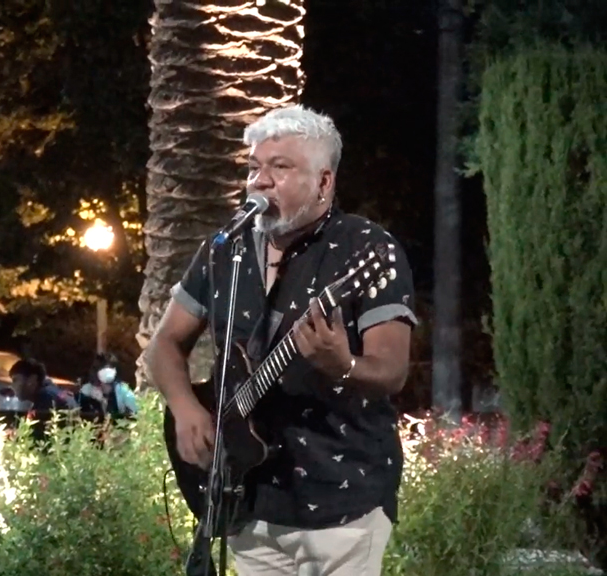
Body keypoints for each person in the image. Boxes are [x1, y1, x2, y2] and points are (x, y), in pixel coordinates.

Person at [146, 105, 416, 576]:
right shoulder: (225, 250)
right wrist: (187, 408)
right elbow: (164, 343)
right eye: (254, 167)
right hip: (249, 497)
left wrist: (342, 365)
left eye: (280, 167)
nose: (260, 181)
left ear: (324, 182)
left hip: (342, 499)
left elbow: (391, 371)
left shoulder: (368, 249)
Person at [77, 352, 139, 419]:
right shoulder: (87, 390)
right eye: (104, 368)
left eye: (111, 367)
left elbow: (136, 411)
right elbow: (77, 411)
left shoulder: (123, 391)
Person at [9, 357, 78, 412]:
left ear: (32, 380)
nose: (12, 386)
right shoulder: (52, 393)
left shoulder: (45, 400)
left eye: (16, 380)